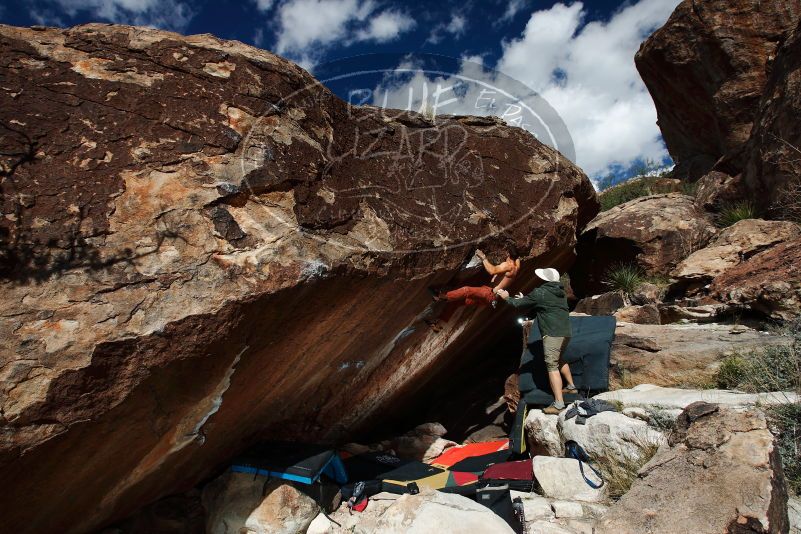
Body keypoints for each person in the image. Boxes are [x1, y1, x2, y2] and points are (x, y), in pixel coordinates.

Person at [495, 267, 575, 415]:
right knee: (559, 358)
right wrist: (525, 298)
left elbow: (517, 305)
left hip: (552, 333)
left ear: (544, 279)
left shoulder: (540, 292)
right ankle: (571, 386)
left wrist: (506, 296)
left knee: (551, 365)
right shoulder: (560, 292)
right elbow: (541, 302)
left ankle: (558, 404)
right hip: (566, 332)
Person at [430, 245, 521, 326]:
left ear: (508, 254)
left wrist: (483, 258)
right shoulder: (516, 266)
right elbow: (517, 258)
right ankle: (438, 325)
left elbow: (492, 271)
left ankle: (441, 297)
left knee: (467, 290)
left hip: (489, 294)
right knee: (456, 301)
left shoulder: (509, 266)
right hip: (489, 298)